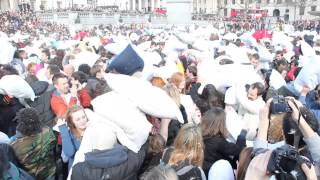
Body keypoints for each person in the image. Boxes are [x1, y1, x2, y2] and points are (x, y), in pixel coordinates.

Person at [10, 108, 56, 180]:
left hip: (31, 176)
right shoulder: (47, 131)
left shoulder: (13, 145)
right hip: (49, 172)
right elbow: (53, 145)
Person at [201, 108, 246, 176]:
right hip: (215, 173)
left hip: (205, 170)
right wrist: (242, 135)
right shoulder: (218, 141)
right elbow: (238, 150)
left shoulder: (203, 135)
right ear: (221, 124)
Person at [58, 105, 88, 170]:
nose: (82, 121)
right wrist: (63, 129)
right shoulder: (70, 134)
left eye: (84, 117)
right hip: (78, 169)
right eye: (78, 119)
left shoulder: (92, 128)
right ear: (72, 122)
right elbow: (70, 153)